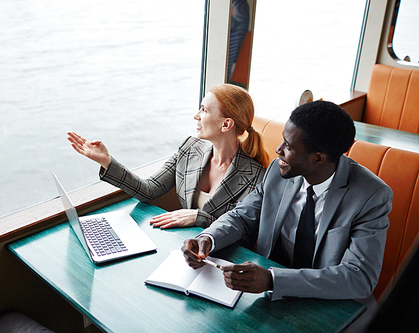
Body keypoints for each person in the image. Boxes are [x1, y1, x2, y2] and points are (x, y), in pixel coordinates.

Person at [181, 100, 392, 304]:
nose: (278, 150)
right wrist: (208, 238)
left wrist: (273, 280)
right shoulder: (276, 171)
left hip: (333, 304)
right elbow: (242, 216)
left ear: (318, 158)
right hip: (271, 297)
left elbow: (360, 277)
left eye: (289, 146)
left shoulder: (371, 196)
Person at [67, 84, 268, 232]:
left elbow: (245, 235)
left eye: (204, 110)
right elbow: (148, 190)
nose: (196, 116)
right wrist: (106, 161)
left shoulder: (256, 177)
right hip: (186, 248)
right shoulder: (190, 149)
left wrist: (201, 218)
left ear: (226, 125)